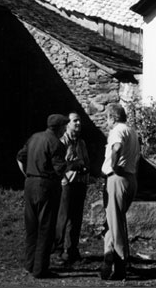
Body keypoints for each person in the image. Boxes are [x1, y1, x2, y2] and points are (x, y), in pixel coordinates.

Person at [16, 114, 69, 279]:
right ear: (59, 128)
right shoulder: (56, 143)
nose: (65, 130)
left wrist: (28, 175)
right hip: (46, 186)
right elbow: (59, 169)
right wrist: (71, 164)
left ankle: (30, 264)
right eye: (64, 127)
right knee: (46, 227)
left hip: (30, 183)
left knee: (32, 227)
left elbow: (20, 157)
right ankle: (40, 269)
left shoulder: (34, 137)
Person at [100, 103, 140, 281]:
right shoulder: (131, 131)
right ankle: (108, 260)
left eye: (106, 118)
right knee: (112, 222)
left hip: (117, 179)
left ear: (112, 118)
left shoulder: (117, 130)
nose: (106, 122)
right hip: (130, 178)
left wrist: (115, 166)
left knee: (115, 224)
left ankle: (121, 265)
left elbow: (116, 148)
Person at [53, 112, 90, 265]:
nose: (78, 123)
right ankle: (58, 251)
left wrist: (86, 170)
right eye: (75, 121)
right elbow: (58, 165)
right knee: (63, 218)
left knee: (76, 218)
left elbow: (87, 161)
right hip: (67, 184)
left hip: (80, 183)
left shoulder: (81, 143)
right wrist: (65, 177)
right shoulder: (61, 142)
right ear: (67, 124)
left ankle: (72, 249)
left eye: (79, 121)